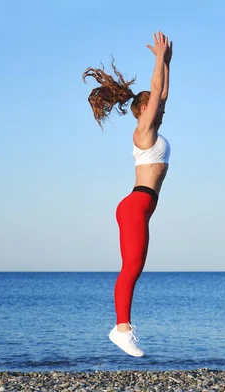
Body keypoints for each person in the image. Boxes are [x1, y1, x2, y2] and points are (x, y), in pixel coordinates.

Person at [82, 31, 173, 357]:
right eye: (157, 105)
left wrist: (168, 64)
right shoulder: (143, 130)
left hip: (140, 205)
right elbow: (159, 91)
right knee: (131, 268)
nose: (162, 107)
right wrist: (158, 60)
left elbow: (164, 91)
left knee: (135, 266)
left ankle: (122, 328)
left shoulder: (153, 129)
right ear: (145, 108)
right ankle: (122, 330)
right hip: (136, 205)